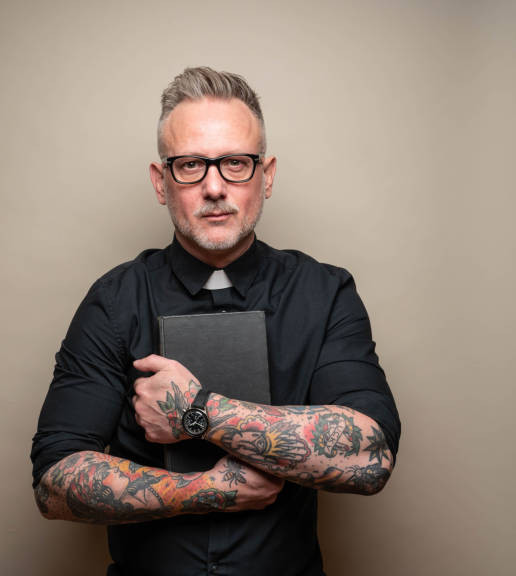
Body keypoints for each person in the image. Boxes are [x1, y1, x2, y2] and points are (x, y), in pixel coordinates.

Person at [31, 67, 400, 576]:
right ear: (160, 182)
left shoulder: (324, 292)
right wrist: (204, 491)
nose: (213, 187)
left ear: (266, 175)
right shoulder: (114, 300)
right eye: (190, 165)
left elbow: (371, 456)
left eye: (235, 163)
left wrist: (198, 412)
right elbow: (55, 480)